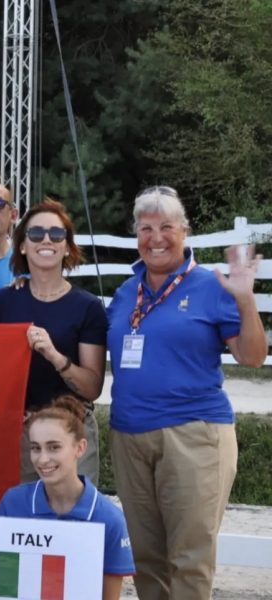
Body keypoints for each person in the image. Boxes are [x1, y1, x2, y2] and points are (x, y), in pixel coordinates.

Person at [106, 185, 267, 599]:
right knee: (146, 558)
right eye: (146, 228)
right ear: (136, 235)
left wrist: (245, 299)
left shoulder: (212, 286)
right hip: (129, 436)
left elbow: (252, 357)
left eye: (166, 227)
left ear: (185, 231)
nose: (156, 238)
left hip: (194, 434)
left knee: (189, 557)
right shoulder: (125, 293)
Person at [0, 396, 134, 598]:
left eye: (54, 447)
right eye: (35, 448)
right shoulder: (13, 502)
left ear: (80, 448)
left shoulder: (109, 519)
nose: (43, 459)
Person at [0, 199, 106, 485]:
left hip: (72, 427)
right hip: (20, 434)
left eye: (57, 233)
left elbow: (92, 388)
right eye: (36, 233)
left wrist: (55, 356)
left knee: (74, 511)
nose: (47, 240)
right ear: (22, 246)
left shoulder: (88, 307)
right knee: (22, 510)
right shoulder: (1, 303)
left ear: (67, 247)